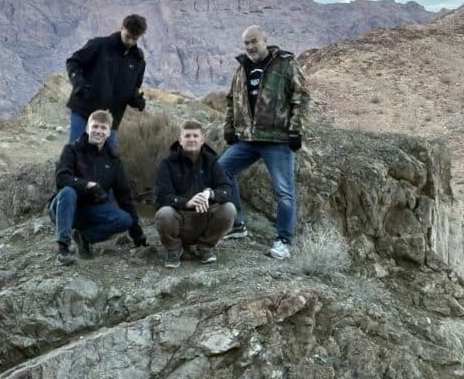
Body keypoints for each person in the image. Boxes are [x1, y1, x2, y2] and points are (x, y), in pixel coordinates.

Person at [218, 25, 310, 260]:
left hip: (277, 140)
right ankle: (237, 225)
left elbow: (300, 97)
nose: (250, 47)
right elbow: (232, 100)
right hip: (248, 139)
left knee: (284, 192)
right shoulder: (242, 67)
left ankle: (283, 241)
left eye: (254, 41)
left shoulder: (285, 64)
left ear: (265, 40)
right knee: (221, 171)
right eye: (246, 43)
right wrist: (229, 128)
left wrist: (296, 131)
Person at [50, 109, 147, 265]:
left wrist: (137, 233)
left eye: (103, 128)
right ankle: (63, 248)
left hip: (91, 212)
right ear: (87, 128)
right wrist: (87, 185)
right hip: (64, 208)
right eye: (95, 126)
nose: (98, 131)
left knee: (125, 219)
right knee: (68, 191)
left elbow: (124, 196)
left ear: (109, 132)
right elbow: (61, 178)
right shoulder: (72, 150)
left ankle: (84, 238)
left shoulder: (114, 161)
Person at [154, 120, 236, 268]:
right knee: (164, 213)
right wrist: (187, 202)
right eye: (187, 136)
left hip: (204, 218)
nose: (191, 139)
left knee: (229, 209)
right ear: (180, 140)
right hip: (178, 220)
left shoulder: (212, 162)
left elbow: (227, 189)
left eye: (195, 136)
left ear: (202, 139)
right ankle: (174, 249)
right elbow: (162, 195)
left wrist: (210, 194)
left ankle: (204, 247)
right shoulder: (167, 163)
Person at [66, 14, 148, 150]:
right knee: (75, 151)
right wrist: (78, 82)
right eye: (128, 36)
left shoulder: (138, 60)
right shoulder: (99, 45)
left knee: (108, 156)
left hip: (111, 118)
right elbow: (73, 62)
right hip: (84, 109)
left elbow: (133, 87)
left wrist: (136, 99)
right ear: (122, 28)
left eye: (134, 39)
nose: (130, 42)